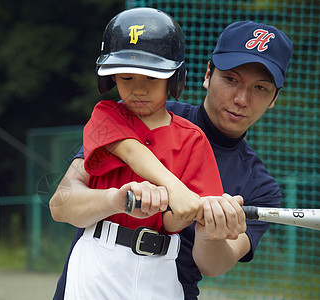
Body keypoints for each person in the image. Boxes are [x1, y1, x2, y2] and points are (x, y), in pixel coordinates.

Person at [51, 19, 293, 299]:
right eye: (231, 79)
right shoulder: (141, 111)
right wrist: (118, 199)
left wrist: (210, 232)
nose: (241, 98)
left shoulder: (261, 187)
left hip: (168, 285)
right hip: (94, 275)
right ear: (207, 74)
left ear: (274, 98)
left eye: (260, 88)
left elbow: (213, 265)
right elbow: (61, 203)